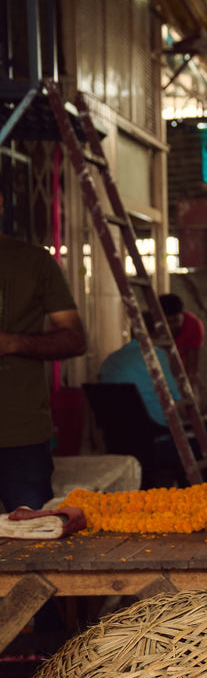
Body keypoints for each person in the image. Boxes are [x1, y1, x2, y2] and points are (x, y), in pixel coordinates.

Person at [0, 206, 87, 511]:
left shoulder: (34, 261)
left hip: (20, 434)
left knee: (34, 545)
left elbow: (75, 339)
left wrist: (11, 342)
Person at [99, 317, 207, 478]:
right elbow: (185, 410)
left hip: (121, 445)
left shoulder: (109, 361)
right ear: (158, 333)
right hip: (159, 443)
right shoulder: (156, 357)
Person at [159, 291, 205, 397]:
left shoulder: (193, 325)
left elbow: (192, 365)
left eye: (175, 321)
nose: (171, 326)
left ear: (182, 315)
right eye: (168, 322)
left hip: (181, 372)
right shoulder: (153, 326)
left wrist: (189, 388)